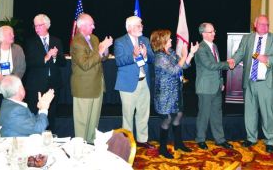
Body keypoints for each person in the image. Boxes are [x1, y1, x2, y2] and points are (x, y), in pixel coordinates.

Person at [229, 15, 273, 153]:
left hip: (266, 83)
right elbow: (240, 53)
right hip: (249, 81)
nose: (265, 27)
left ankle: (270, 141)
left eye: (267, 24)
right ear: (255, 24)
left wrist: (268, 58)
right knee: (250, 112)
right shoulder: (247, 38)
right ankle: (251, 138)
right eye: (262, 24)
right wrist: (232, 61)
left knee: (268, 113)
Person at [150, 29, 199, 158]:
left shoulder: (170, 52)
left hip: (176, 90)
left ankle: (178, 143)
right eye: (169, 38)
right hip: (164, 93)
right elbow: (174, 70)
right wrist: (183, 56)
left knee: (179, 114)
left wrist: (191, 54)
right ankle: (162, 148)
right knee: (168, 118)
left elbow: (184, 66)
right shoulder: (159, 57)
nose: (171, 40)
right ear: (162, 41)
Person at [70, 13, 113, 143]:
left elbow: (102, 58)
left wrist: (105, 50)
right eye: (91, 24)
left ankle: (90, 145)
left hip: (97, 85)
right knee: (82, 122)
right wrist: (100, 50)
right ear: (81, 26)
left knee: (93, 121)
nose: (94, 26)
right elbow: (85, 64)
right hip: (84, 87)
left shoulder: (94, 38)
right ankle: (80, 149)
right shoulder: (77, 42)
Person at [114, 16, 155, 149]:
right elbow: (119, 61)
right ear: (129, 28)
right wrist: (133, 55)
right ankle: (128, 142)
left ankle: (142, 139)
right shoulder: (120, 41)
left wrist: (146, 55)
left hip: (144, 82)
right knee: (128, 115)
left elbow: (152, 58)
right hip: (127, 84)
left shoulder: (145, 40)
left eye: (141, 25)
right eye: (138, 25)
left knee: (143, 113)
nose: (141, 27)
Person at [24, 14, 66, 130]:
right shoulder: (30, 42)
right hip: (36, 86)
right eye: (35, 26)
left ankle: (50, 138)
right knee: (35, 115)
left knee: (51, 116)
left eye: (39, 25)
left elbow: (63, 63)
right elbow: (29, 62)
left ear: (47, 25)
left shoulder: (57, 41)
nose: (36, 28)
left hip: (54, 85)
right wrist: (46, 57)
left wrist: (55, 57)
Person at [194, 22, 233, 150]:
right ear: (204, 34)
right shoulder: (200, 48)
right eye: (211, 32)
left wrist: (221, 82)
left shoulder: (214, 46)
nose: (214, 33)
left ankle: (220, 139)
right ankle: (200, 139)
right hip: (205, 87)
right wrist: (227, 64)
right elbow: (210, 65)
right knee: (204, 114)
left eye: (214, 31)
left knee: (217, 114)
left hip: (216, 86)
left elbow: (217, 68)